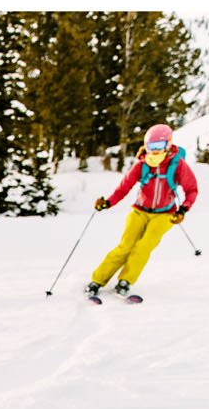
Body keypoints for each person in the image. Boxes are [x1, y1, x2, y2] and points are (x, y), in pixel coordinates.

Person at [85, 123, 198, 303]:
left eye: (158, 147)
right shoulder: (142, 165)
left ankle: (125, 281)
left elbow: (192, 189)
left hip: (164, 214)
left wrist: (183, 209)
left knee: (143, 247)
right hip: (139, 211)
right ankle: (97, 280)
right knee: (125, 246)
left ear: (168, 144)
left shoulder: (178, 165)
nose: (154, 151)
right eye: (150, 147)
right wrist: (107, 203)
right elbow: (123, 189)